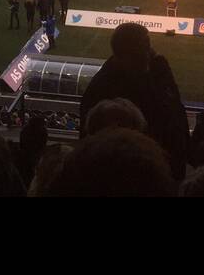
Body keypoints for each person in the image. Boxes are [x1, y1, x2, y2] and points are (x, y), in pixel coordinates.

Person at [80, 24, 188, 179]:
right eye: (143, 48)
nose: (149, 52)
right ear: (125, 54)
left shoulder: (157, 71)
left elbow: (177, 113)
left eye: (148, 46)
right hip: (135, 173)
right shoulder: (104, 89)